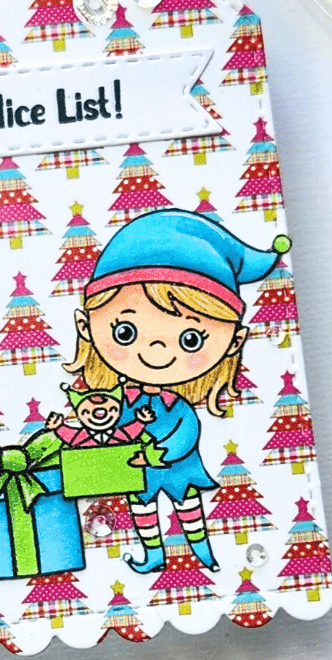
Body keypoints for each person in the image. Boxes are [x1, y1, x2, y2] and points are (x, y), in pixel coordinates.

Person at [65, 208, 289, 573]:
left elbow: (187, 431)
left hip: (177, 468)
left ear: (235, 342)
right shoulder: (118, 401)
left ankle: (204, 554)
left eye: (191, 339)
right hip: (135, 472)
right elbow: (105, 432)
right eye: (125, 332)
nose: (156, 351)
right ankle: (153, 555)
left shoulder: (176, 405)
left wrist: (155, 453)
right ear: (85, 326)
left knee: (189, 508)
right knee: (142, 511)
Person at [45, 383, 156, 448]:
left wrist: (141, 421)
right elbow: (69, 436)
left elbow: (130, 432)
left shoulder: (120, 435)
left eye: (111, 410)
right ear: (79, 414)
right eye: (87, 412)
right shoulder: (79, 437)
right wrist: (58, 427)